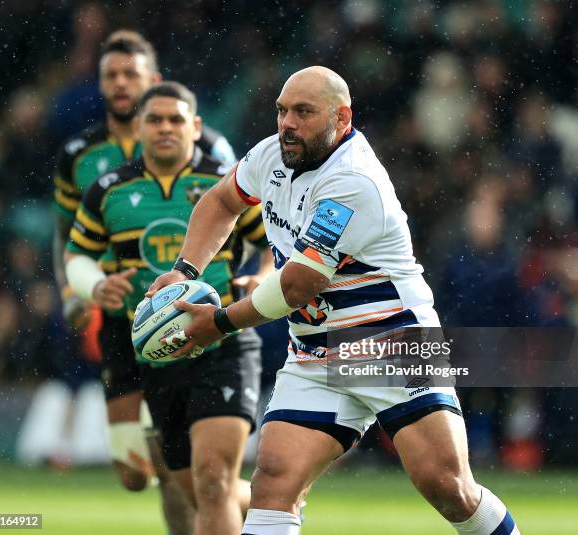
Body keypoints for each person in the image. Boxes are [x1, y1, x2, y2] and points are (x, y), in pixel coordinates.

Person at [147, 66, 522, 535]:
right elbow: (222, 200)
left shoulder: (354, 182)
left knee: (448, 487)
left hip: (391, 343)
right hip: (315, 351)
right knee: (274, 482)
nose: (287, 123)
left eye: (303, 112)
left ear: (342, 118)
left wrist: (219, 322)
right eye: (282, 111)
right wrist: (185, 270)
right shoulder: (272, 155)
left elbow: (296, 286)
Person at [65, 81, 272, 535]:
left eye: (175, 119)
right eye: (154, 120)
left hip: (224, 341)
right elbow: (76, 253)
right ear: (138, 128)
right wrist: (96, 286)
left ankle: (272, 504)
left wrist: (262, 275)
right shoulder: (107, 190)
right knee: (195, 488)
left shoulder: (225, 182)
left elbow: (272, 244)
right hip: (157, 352)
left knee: (213, 481)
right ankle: (271, 504)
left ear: (195, 126)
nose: (165, 128)